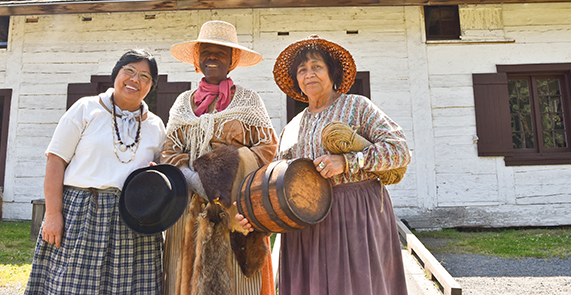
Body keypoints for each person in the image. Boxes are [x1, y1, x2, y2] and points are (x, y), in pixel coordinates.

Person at [242, 35, 412, 295]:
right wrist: (254, 216)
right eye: (302, 70)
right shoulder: (292, 126)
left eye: (316, 67)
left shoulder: (357, 106)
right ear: (297, 80)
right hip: (302, 225)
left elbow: (399, 151)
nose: (309, 74)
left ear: (332, 73)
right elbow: (274, 183)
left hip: (354, 214)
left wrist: (347, 162)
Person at [25, 49, 167, 295]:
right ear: (116, 74)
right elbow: (56, 160)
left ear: (151, 85)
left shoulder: (155, 125)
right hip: (82, 213)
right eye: (130, 71)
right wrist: (52, 214)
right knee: (72, 287)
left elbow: (160, 171)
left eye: (145, 76)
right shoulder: (86, 108)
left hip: (134, 218)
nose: (135, 80)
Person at [162, 20, 278, 295]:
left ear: (232, 60)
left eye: (221, 52)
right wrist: (194, 178)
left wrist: (224, 174)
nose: (212, 57)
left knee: (238, 282)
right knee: (185, 277)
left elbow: (267, 149)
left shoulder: (249, 101)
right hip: (188, 210)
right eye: (206, 52)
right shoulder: (182, 103)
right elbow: (169, 151)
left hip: (235, 211)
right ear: (197, 60)